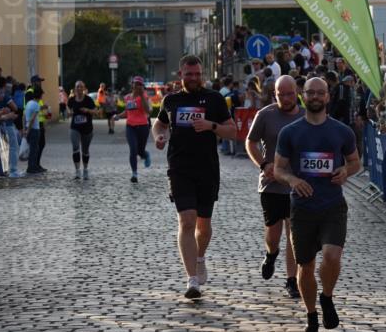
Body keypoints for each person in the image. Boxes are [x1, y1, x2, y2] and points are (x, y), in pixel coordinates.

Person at [274, 76, 360, 332]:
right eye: (310, 92)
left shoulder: (342, 131)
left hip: (333, 205)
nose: (314, 97)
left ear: (327, 96)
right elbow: (278, 169)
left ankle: (327, 297)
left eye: (319, 93)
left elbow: (356, 163)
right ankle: (311, 315)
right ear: (303, 95)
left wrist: (345, 171)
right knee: (305, 266)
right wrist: (293, 179)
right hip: (302, 209)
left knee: (332, 257)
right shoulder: (290, 132)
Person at [152, 54, 236, 299]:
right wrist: (158, 136)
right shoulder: (171, 100)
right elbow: (159, 124)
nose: (194, 78)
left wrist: (211, 126)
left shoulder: (214, 99)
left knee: (204, 225)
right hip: (179, 168)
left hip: (207, 169)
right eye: (189, 74)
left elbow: (233, 131)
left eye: (198, 74)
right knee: (186, 221)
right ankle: (192, 281)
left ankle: (200, 257)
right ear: (181, 75)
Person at [246, 75, 305, 299]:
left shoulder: (305, 116)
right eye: (282, 95)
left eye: (290, 94)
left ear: (297, 92)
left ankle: (291, 280)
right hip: (271, 184)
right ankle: (271, 254)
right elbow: (250, 142)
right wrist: (263, 163)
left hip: (296, 184)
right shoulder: (266, 115)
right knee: (273, 233)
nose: (286, 98)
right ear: (275, 95)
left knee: (294, 233)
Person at [114, 76, 152, 182]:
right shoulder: (127, 97)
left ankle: (145, 154)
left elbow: (147, 111)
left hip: (143, 126)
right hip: (131, 127)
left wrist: (142, 96)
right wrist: (118, 116)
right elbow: (127, 112)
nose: (137, 86)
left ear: (142, 86)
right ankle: (134, 174)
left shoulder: (144, 96)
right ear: (132, 85)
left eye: (139, 84)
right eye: (136, 84)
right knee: (133, 150)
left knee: (140, 151)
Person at [67, 80, 96, 179]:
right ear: (75, 89)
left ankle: (85, 170)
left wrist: (87, 110)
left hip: (87, 128)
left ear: (84, 88)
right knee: (75, 147)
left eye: (81, 87)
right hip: (75, 127)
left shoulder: (88, 100)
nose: (79, 88)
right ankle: (77, 171)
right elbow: (68, 110)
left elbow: (95, 111)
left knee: (85, 150)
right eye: (77, 87)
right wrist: (69, 113)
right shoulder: (71, 100)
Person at [24, 85, 44, 175]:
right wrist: (28, 130)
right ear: (40, 96)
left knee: (33, 148)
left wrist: (25, 128)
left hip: (28, 127)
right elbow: (32, 119)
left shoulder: (28, 103)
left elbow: (24, 116)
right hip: (34, 129)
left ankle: (32, 166)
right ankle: (32, 168)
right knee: (34, 149)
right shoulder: (36, 105)